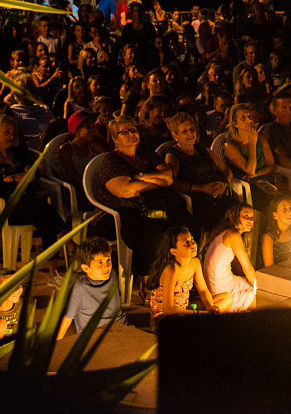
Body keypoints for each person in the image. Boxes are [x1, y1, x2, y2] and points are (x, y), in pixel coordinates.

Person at [86, 116, 194, 275]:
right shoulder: (111, 160)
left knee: (184, 225)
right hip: (122, 211)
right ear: (115, 138)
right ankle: (148, 278)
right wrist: (156, 181)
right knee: (151, 233)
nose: (131, 133)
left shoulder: (147, 155)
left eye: (133, 129)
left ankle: (180, 274)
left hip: (154, 204)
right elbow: (125, 190)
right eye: (125, 132)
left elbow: (168, 177)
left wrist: (141, 177)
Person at [0, 115, 66, 284]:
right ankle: (67, 236)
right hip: (7, 207)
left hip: (30, 203)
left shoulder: (19, 153)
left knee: (46, 222)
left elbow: (35, 173)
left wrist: (15, 178)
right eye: (7, 133)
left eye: (13, 133)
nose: (12, 137)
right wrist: (22, 177)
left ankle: (53, 273)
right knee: (46, 211)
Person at [164, 112, 237, 235]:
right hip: (198, 199)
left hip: (219, 192)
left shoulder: (202, 149)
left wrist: (224, 184)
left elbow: (226, 169)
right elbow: (172, 182)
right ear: (175, 134)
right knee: (220, 220)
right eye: (184, 131)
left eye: (192, 129)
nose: (190, 134)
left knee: (239, 213)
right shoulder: (173, 155)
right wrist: (201, 188)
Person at [145, 227, 231, 323]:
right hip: (167, 318)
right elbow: (168, 309)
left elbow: (203, 290)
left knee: (227, 298)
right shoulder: (171, 270)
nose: (192, 244)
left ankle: (206, 318)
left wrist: (210, 307)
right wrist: (198, 313)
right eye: (186, 243)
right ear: (174, 251)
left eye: (192, 239)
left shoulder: (195, 263)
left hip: (184, 308)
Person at [223, 103, 291, 210]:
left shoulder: (261, 138)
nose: (248, 121)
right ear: (235, 123)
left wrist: (257, 174)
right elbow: (250, 171)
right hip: (248, 188)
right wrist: (253, 144)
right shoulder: (230, 146)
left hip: (265, 181)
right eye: (243, 118)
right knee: (278, 204)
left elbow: (272, 165)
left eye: (249, 117)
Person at [57, 237, 126, 339]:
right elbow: (68, 318)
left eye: (108, 260)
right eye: (100, 262)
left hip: (120, 328)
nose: (106, 266)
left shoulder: (113, 275)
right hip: (95, 336)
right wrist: (57, 343)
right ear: (85, 268)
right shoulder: (80, 288)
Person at [203, 204, 258, 311]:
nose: (250, 221)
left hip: (223, 281)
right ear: (234, 216)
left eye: (252, 218)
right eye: (246, 216)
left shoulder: (226, 232)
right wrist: (261, 290)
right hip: (221, 290)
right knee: (263, 298)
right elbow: (247, 268)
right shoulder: (233, 235)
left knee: (251, 284)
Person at [258, 194, 291, 269]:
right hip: (274, 276)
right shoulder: (268, 237)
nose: (289, 212)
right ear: (275, 215)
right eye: (284, 209)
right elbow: (270, 269)